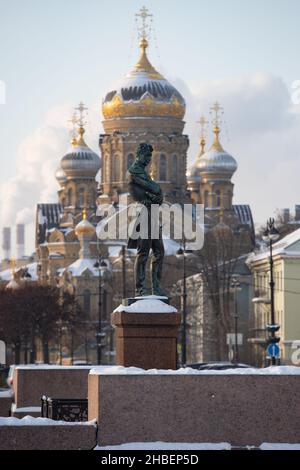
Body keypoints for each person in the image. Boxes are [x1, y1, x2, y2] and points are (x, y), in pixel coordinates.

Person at [127, 143, 165, 297]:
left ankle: (156, 286)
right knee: (143, 252)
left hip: (153, 213)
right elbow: (151, 191)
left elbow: (157, 194)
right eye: (147, 155)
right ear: (139, 154)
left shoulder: (143, 173)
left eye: (150, 156)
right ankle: (140, 288)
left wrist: (155, 193)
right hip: (143, 214)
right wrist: (154, 193)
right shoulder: (134, 172)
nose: (149, 159)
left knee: (159, 251)